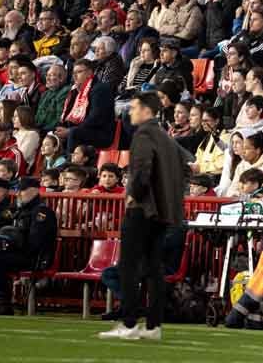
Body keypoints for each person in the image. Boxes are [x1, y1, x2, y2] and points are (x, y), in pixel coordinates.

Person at [99, 91, 188, 341]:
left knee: (128, 265)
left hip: (142, 209)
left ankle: (128, 323)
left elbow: (142, 170)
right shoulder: (167, 138)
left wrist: (133, 195)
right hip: (163, 212)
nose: (131, 111)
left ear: (147, 110)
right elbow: (187, 166)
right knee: (153, 267)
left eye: (135, 107)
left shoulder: (144, 135)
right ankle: (153, 326)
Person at [0, 176, 57, 315]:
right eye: (17, 190)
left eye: (22, 190)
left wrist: (14, 242)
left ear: (34, 190)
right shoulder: (20, 210)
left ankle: (3, 302)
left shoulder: (41, 212)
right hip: (17, 254)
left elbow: (37, 243)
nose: (18, 193)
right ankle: (0, 297)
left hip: (34, 258)